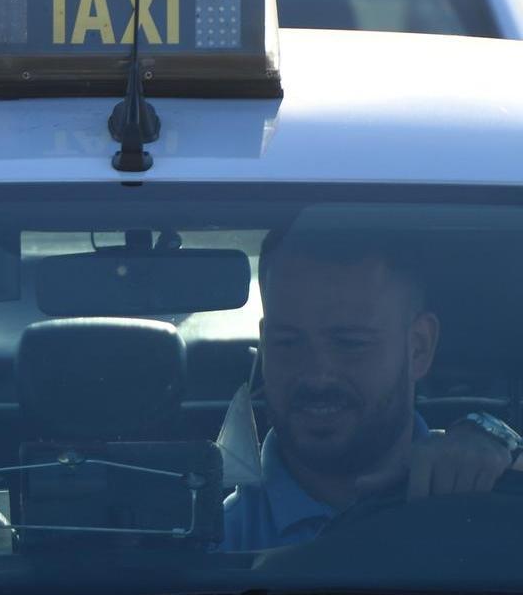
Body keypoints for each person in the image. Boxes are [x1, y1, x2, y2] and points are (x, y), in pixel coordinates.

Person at [221, 228, 522, 551]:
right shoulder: (207, 547)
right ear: (264, 344)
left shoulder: (489, 504)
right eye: (288, 342)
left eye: (350, 344)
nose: (317, 376)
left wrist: (510, 468)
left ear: (418, 347)